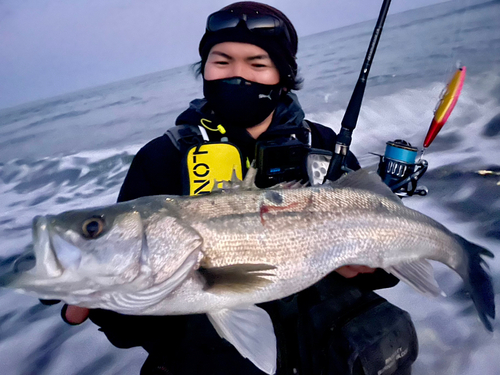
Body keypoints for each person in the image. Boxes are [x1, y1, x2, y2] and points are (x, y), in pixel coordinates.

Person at [61, 2, 418, 374]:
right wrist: (105, 301)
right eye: (222, 61)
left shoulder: (323, 144)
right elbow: (128, 328)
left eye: (257, 64)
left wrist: (366, 266)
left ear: (283, 74)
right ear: (204, 70)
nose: (237, 75)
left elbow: (387, 268)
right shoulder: (162, 159)